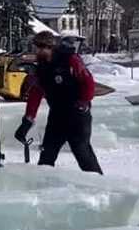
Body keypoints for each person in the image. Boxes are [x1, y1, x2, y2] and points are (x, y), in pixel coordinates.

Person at [14, 30, 102, 174]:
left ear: (48, 47)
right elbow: (36, 92)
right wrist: (28, 120)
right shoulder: (41, 67)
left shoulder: (69, 59)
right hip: (57, 115)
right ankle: (43, 189)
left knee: (82, 152)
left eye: (38, 48)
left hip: (77, 114)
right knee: (47, 155)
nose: (36, 52)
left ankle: (99, 184)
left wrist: (84, 102)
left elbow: (88, 81)